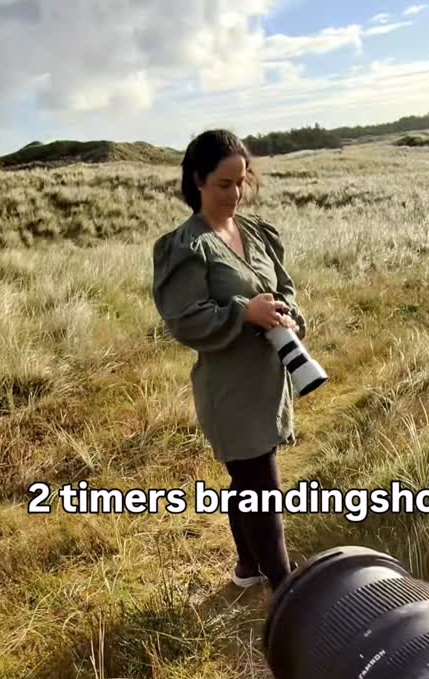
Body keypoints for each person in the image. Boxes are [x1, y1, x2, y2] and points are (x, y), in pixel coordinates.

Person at [151, 128, 308, 593]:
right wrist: (245, 312)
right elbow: (185, 319)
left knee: (248, 479)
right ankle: (285, 590)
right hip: (230, 390)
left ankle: (246, 568)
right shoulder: (185, 245)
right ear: (197, 181)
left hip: (267, 381)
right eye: (224, 184)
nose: (236, 193)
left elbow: (283, 287)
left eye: (242, 181)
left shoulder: (255, 231)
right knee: (262, 488)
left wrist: (288, 315)